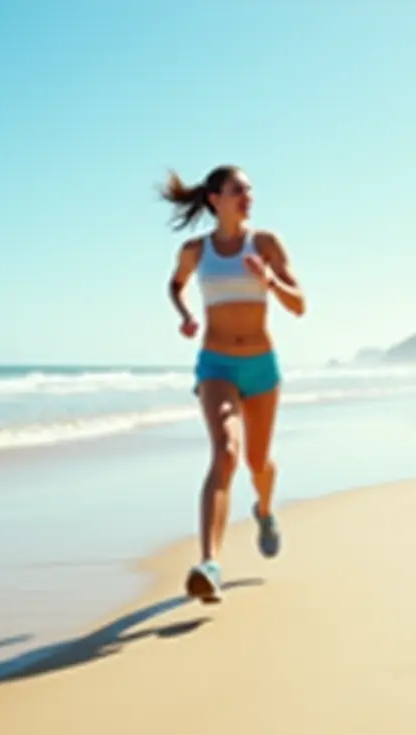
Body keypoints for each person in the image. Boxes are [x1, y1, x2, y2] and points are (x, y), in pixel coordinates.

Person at [161, 165, 306, 604]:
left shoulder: (265, 244)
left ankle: (264, 510)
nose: (248, 197)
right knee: (225, 452)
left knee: (258, 462)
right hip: (216, 365)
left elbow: (299, 305)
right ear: (215, 199)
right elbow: (175, 284)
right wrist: (185, 314)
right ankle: (209, 564)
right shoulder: (195, 250)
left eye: (249, 190)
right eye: (237, 190)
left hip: (261, 367)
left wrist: (269, 281)